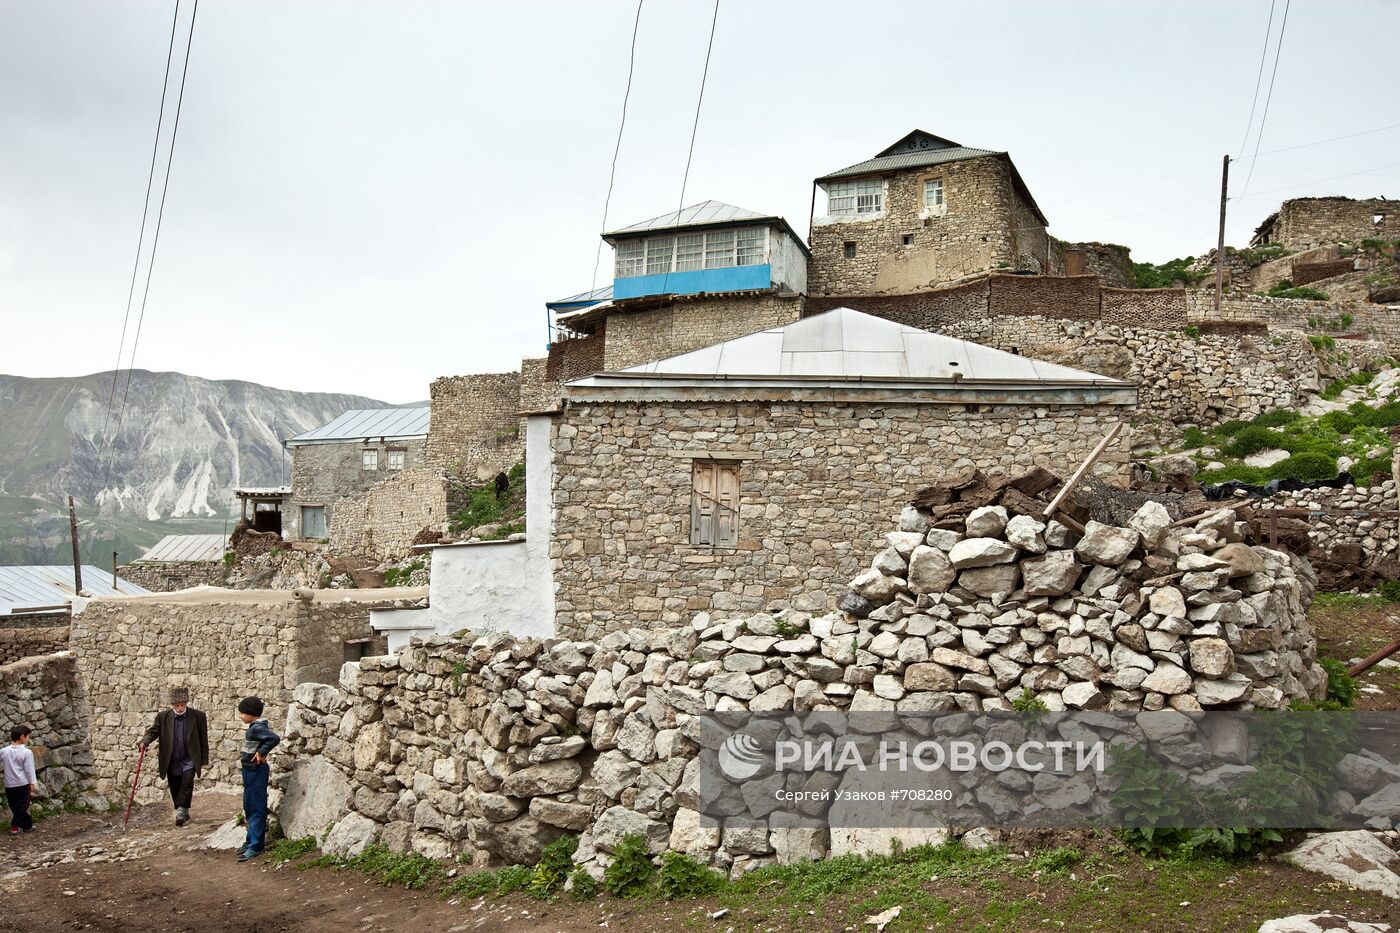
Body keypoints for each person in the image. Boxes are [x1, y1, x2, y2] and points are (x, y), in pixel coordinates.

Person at [139, 687, 209, 826]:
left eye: (183, 704)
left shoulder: (198, 716)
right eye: (177, 705)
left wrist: (203, 759)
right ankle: (181, 808)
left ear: (186, 703)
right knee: (174, 784)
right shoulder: (163, 717)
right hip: (171, 758)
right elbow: (153, 731)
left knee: (187, 782)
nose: (180, 708)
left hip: (189, 758)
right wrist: (144, 741)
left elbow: (203, 738)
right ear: (172, 705)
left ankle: (182, 810)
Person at [236, 696, 280, 862]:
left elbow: (274, 738)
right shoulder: (255, 727)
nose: (241, 717)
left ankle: (256, 845)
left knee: (255, 807)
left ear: (251, 714)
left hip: (255, 771)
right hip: (250, 771)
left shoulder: (256, 728)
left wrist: (262, 753)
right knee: (249, 806)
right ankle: (250, 841)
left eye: (242, 713)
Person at [2, 724, 37, 835]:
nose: (28, 739)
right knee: (22, 807)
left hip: (9, 785)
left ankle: (27, 826)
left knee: (15, 807)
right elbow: (29, 769)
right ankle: (14, 826)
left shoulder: (3, 751)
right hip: (22, 784)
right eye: (28, 736)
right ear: (22, 737)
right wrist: (33, 783)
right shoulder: (26, 752)